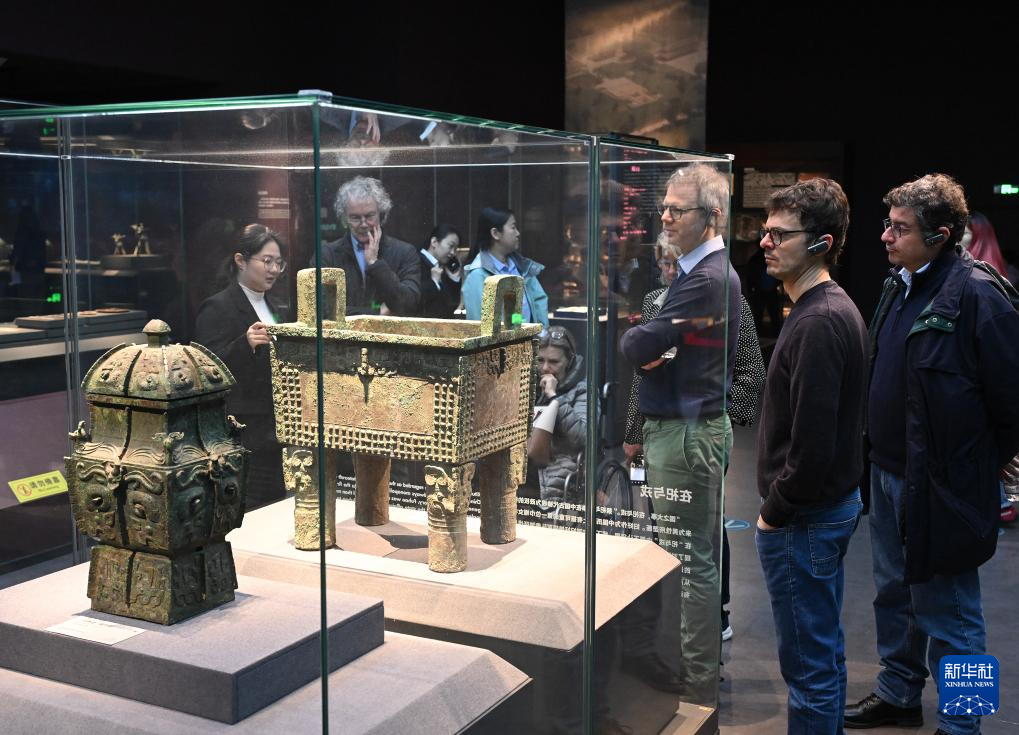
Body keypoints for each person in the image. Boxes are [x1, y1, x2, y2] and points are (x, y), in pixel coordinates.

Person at [845, 174, 1019, 735]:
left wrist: (986, 460)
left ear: (940, 235)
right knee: (894, 595)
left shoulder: (980, 296)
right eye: (888, 224)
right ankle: (899, 693)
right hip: (889, 473)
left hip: (946, 483)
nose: (885, 236)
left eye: (899, 228)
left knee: (955, 612)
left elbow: (1011, 400)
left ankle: (964, 724)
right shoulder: (900, 284)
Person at [619, 163, 740, 703]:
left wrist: (647, 346)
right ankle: (696, 676)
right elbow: (653, 347)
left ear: (711, 215)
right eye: (663, 207)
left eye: (677, 209)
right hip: (686, 430)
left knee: (691, 565)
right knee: (694, 559)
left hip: (686, 435)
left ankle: (696, 688)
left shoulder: (706, 278)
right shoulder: (702, 274)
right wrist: (653, 347)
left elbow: (637, 346)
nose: (665, 217)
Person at [753, 178, 867, 734]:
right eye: (765, 231)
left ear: (821, 243)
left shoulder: (819, 320)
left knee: (810, 671)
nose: (765, 242)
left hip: (805, 518)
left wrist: (774, 512)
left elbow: (812, 446)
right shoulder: (823, 309)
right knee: (822, 656)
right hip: (822, 511)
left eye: (780, 234)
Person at [623, 232, 766, 644]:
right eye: (663, 263)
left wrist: (722, 417)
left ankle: (715, 612)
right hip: (660, 428)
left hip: (700, 430)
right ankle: (672, 611)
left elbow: (751, 369)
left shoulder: (723, 297)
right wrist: (633, 432)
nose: (670, 271)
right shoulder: (655, 301)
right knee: (665, 523)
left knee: (705, 527)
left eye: (676, 263)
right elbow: (641, 377)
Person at [194, 223, 289, 510]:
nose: (274, 270)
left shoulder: (276, 306)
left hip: (273, 426)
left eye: (279, 263)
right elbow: (205, 368)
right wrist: (244, 343)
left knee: (274, 505)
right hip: (240, 430)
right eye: (267, 261)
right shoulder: (218, 306)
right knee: (248, 507)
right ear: (241, 260)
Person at [316, 176, 420, 316]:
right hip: (346, 332)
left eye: (370, 216)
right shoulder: (327, 255)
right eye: (355, 217)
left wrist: (375, 263)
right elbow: (322, 309)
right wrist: (377, 313)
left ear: (381, 215)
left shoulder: (405, 252)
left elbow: (409, 303)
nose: (364, 224)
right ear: (344, 219)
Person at [526, 325, 587, 503]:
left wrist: (555, 398)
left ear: (569, 361)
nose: (545, 368)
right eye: (540, 360)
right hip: (526, 458)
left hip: (559, 462)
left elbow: (583, 437)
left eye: (554, 362)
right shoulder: (529, 383)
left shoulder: (582, 390)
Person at [462, 206, 549, 329]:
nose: (518, 233)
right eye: (513, 227)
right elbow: (479, 325)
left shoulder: (521, 267)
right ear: (495, 233)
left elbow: (538, 300)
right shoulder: (478, 276)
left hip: (531, 339)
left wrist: (542, 332)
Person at [417, 224, 463, 319]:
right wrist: (434, 282)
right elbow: (414, 299)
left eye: (455, 249)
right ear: (434, 242)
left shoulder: (443, 267)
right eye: (450, 246)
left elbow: (452, 305)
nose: (453, 253)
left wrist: (454, 279)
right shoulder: (416, 261)